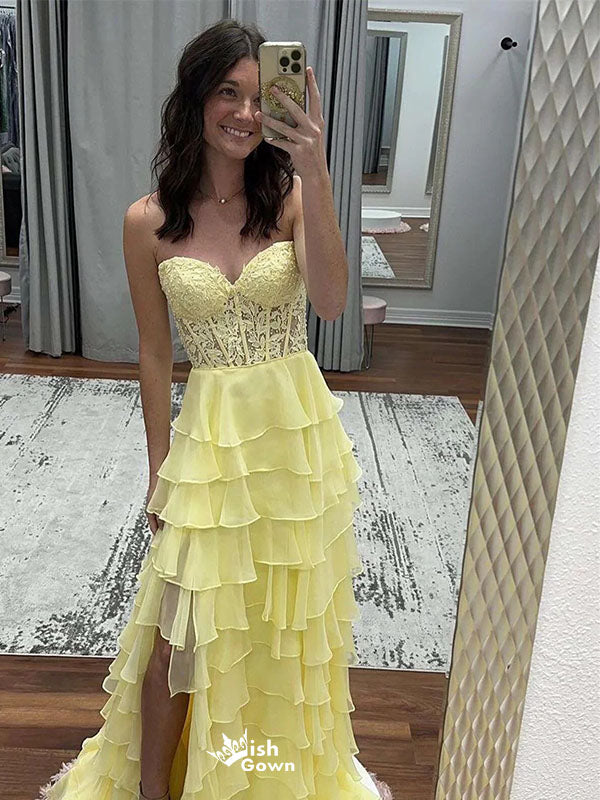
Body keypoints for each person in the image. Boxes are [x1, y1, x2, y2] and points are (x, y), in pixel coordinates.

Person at [39, 19, 378, 800]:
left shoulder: (291, 199)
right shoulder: (148, 221)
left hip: (293, 442)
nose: (246, 114)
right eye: (229, 92)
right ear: (195, 99)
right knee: (178, 634)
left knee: (277, 628)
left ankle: (258, 777)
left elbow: (331, 301)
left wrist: (317, 172)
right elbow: (155, 353)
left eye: (262, 97)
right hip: (212, 440)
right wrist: (158, 466)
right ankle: (154, 791)